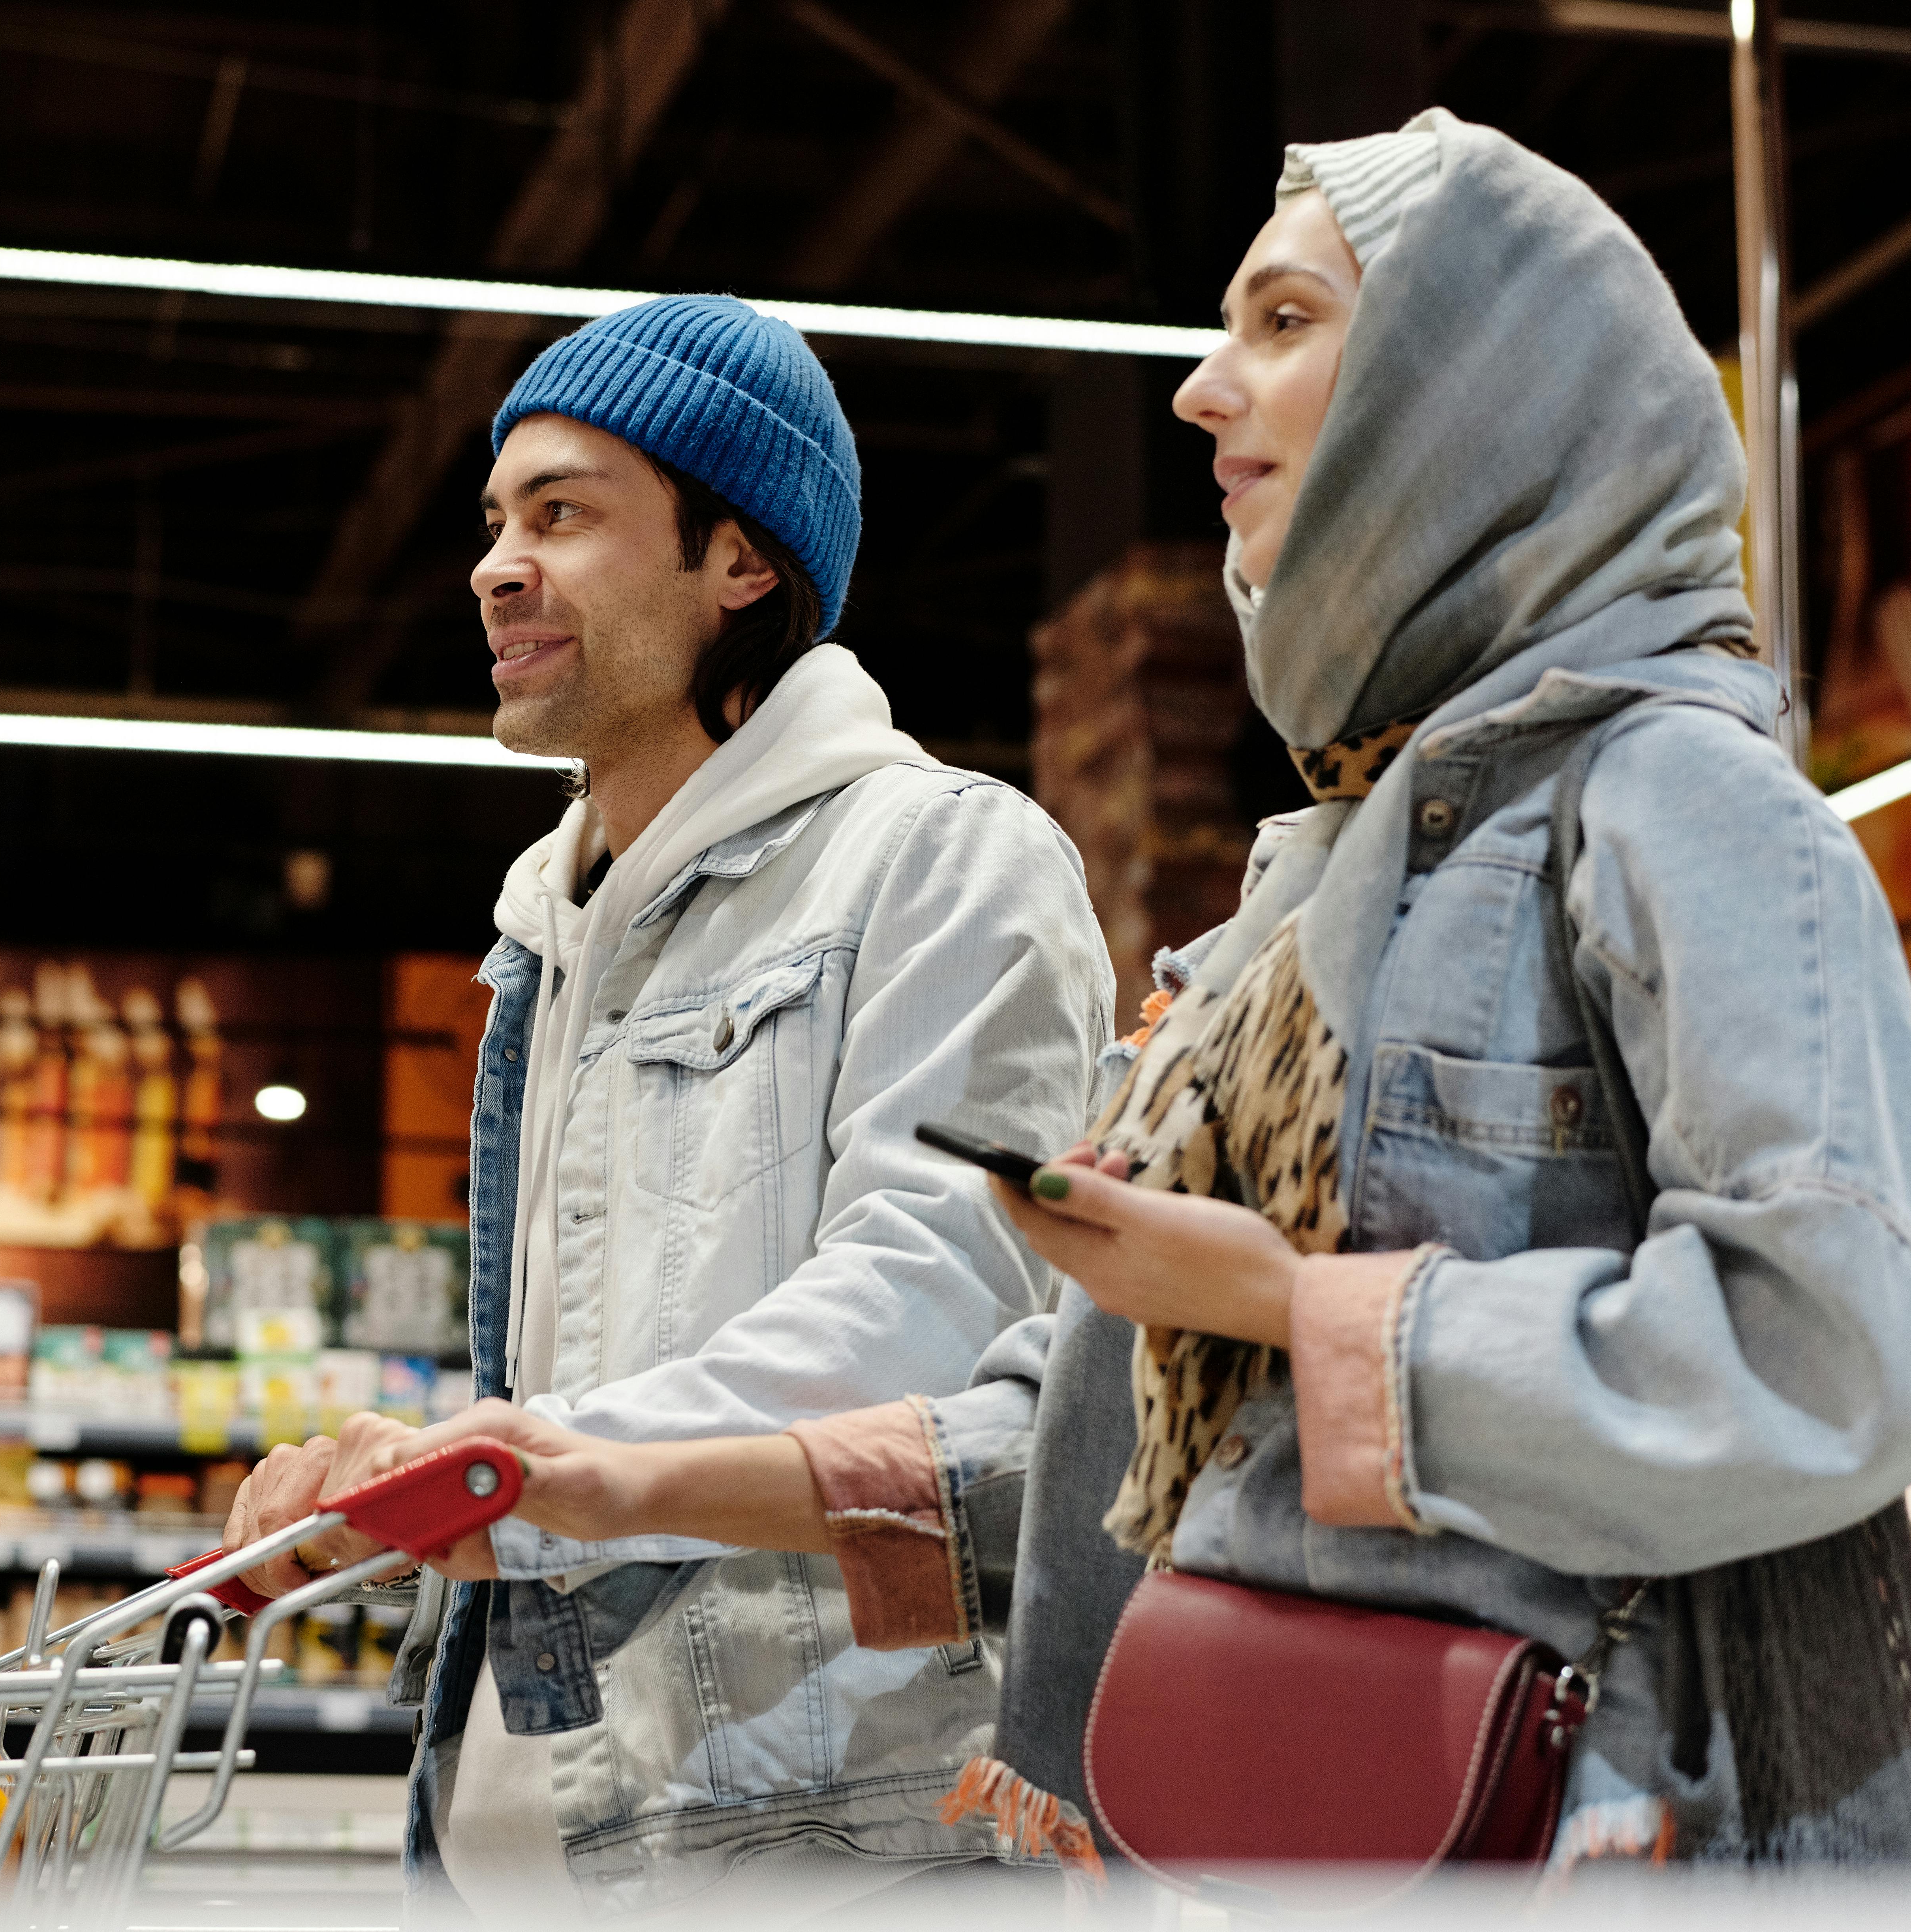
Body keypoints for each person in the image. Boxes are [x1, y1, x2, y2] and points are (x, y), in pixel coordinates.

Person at [329, 111, 1911, 1874]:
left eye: (1284, 323)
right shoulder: (1299, 905)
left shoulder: (1677, 801)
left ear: (1473, 386)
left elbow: (1834, 1354)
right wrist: (579, 1480)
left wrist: (1310, 1323)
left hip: (1626, 1841)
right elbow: (1069, 1420)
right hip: (1320, 1845)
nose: (1200, 391)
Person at [218, 293, 1116, 1918]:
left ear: (740, 563)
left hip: (809, 1830)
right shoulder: (544, 937)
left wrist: (509, 1470)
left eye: (563, 514)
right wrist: (420, 1484)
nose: (497, 566)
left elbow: (933, 1307)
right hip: (532, 1817)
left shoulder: (940, 860)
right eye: (496, 520)